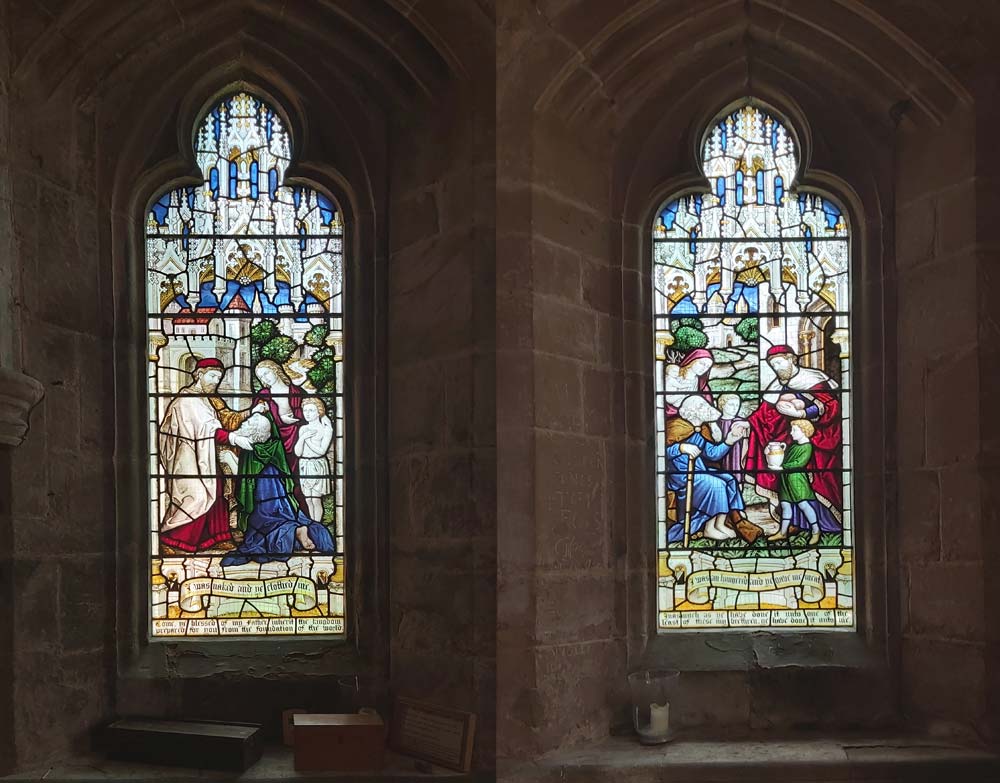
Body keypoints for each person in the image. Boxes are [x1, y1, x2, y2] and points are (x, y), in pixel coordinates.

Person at [158, 357, 263, 553]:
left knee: (217, 491)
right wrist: (233, 439)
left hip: (205, 454)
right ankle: (172, 537)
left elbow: (220, 423)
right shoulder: (187, 400)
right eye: (213, 376)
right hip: (188, 458)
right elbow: (207, 429)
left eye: (219, 377)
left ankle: (218, 536)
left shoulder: (206, 399)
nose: (216, 381)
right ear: (199, 374)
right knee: (197, 495)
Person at [222, 412, 336, 566]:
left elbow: (246, 478)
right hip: (280, 501)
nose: (243, 423)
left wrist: (229, 459)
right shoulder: (268, 448)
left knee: (258, 535)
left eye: (248, 423)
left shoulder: (251, 449)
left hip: (265, 503)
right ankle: (297, 529)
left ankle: (293, 530)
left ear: (253, 432)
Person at [746, 345, 843, 526]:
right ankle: (798, 525)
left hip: (819, 438)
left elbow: (831, 406)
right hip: (791, 438)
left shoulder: (812, 379)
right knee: (789, 484)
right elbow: (763, 415)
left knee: (819, 481)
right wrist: (748, 422)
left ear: (791, 359)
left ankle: (827, 524)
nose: (777, 368)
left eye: (779, 363)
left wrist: (803, 414)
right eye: (773, 365)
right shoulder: (776, 385)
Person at [665, 396, 762, 544]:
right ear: (694, 412)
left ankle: (719, 524)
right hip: (681, 476)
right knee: (716, 484)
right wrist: (681, 447)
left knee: (728, 479)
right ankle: (709, 527)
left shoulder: (700, 431)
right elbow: (661, 452)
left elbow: (712, 454)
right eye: (703, 407)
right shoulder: (675, 427)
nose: (708, 410)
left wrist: (730, 439)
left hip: (698, 472)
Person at [769, 419, 826, 545]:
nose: (791, 432)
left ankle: (816, 531)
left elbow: (800, 463)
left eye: (794, 430)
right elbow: (783, 459)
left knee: (803, 505)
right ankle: (782, 532)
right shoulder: (793, 446)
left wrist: (782, 467)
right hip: (785, 479)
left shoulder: (807, 446)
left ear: (804, 431)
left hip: (797, 479)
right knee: (785, 505)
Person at [294, 398, 335, 522]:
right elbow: (298, 452)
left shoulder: (326, 429)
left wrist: (307, 440)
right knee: (308, 499)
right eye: (305, 410)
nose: (307, 413)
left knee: (316, 499)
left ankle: (317, 524)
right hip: (304, 465)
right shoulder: (303, 429)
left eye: (311, 410)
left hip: (317, 465)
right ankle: (312, 523)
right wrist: (302, 438)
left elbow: (322, 451)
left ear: (319, 411)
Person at [663, 348, 714, 416]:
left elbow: (708, 410)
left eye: (708, 367)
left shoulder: (703, 386)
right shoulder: (674, 376)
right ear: (692, 360)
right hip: (673, 417)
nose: (704, 368)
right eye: (702, 363)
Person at [715, 393, 746, 481]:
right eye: (731, 404)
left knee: (736, 474)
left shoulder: (740, 422)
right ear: (722, 405)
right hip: (720, 453)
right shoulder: (716, 422)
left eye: (737, 405)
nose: (735, 408)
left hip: (737, 452)